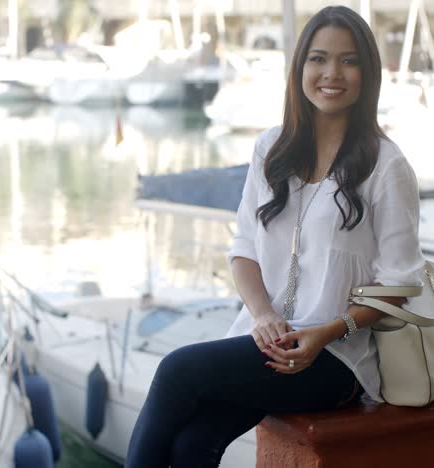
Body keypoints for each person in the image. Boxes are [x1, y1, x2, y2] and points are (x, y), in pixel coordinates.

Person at [125, 6, 425, 468]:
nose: (331, 73)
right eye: (319, 58)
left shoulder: (387, 166)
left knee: (176, 371)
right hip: (264, 341)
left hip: (335, 360)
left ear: (368, 73)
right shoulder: (272, 148)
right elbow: (243, 249)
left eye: (349, 61)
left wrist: (326, 332)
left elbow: (401, 285)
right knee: (191, 445)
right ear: (299, 67)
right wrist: (262, 315)